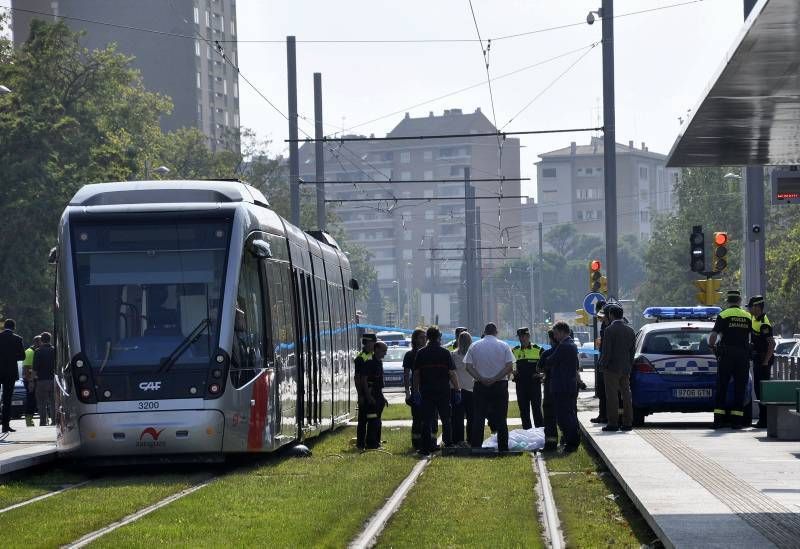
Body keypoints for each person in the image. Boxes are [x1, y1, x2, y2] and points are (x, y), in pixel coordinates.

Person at [464, 322, 514, 452]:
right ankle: (503, 447)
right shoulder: (504, 345)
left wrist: (481, 378)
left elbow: (468, 366)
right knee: (501, 418)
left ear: (485, 332)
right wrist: (495, 378)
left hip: (480, 385)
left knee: (478, 417)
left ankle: (476, 446)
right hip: (500, 386)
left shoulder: (474, 346)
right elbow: (509, 366)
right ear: (496, 332)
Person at [412, 326, 461, 455]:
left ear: (427, 338)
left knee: (426, 420)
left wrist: (416, 392)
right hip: (443, 391)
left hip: (426, 391)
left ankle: (425, 447)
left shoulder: (421, 353)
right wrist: (457, 390)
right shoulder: (445, 353)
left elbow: (416, 374)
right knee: (446, 418)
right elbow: (452, 373)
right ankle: (448, 444)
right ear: (439, 337)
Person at [709, 290, 752, 429]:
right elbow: (752, 336)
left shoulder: (723, 315)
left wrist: (711, 346)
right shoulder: (747, 316)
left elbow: (714, 335)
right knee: (740, 388)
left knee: (722, 387)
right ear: (739, 301)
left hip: (727, 355)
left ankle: (718, 421)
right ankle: (737, 422)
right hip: (743, 356)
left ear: (728, 302)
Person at [599, 304, 636, 432]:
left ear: (611, 315)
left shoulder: (609, 330)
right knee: (626, 395)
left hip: (611, 369)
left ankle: (613, 423)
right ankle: (628, 422)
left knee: (612, 396)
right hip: (625, 368)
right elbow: (632, 352)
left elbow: (607, 351)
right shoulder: (630, 331)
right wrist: (629, 365)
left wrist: (603, 365)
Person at [548, 321, 580, 452]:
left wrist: (546, 359)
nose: (554, 337)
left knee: (564, 416)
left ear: (562, 332)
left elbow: (551, 360)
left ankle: (571, 442)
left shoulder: (564, 346)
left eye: (556, 334)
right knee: (568, 414)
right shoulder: (571, 344)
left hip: (563, 386)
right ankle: (571, 440)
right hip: (568, 385)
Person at [747, 295, 774, 428]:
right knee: (758, 390)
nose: (749, 309)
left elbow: (771, 344)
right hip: (758, 359)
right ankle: (763, 419)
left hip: (764, 361)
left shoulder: (764, 323)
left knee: (763, 391)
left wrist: (765, 362)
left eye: (751, 307)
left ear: (757, 307)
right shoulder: (754, 318)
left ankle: (764, 420)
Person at [355, 339, 387, 449]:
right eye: (383, 351)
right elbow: (364, 379)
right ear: (376, 349)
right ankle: (370, 444)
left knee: (377, 421)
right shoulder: (370, 362)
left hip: (377, 395)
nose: (385, 353)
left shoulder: (379, 362)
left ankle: (375, 442)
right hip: (371, 395)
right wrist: (368, 396)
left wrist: (382, 397)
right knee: (372, 420)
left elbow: (378, 382)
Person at [512, 327, 543, 429]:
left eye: (524, 336)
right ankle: (527, 433)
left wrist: (541, 375)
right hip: (521, 386)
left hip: (534, 385)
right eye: (520, 336)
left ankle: (540, 433)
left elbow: (547, 366)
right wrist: (513, 372)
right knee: (524, 411)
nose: (522, 338)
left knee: (537, 410)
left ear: (528, 336)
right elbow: (509, 366)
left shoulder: (538, 350)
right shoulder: (514, 351)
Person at [0, 319, 26, 433]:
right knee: (7, 399)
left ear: (4, 326)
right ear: (13, 327)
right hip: (10, 372)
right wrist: (11, 357)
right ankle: (5, 425)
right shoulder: (17, 339)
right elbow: (22, 357)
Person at [403, 328, 427, 450]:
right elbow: (406, 375)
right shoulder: (409, 355)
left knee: (429, 417)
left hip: (428, 390)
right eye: (421, 337)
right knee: (417, 418)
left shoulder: (428, 353)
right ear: (415, 339)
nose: (424, 339)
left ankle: (428, 441)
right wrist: (407, 392)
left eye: (425, 337)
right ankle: (416, 443)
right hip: (416, 391)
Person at [450, 330, 473, 444]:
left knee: (457, 417)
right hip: (471, 389)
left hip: (457, 389)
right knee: (471, 417)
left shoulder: (453, 355)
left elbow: (451, 372)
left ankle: (458, 440)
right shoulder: (473, 355)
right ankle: (471, 439)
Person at [539, 330, 560, 451]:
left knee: (549, 417)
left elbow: (539, 368)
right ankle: (567, 440)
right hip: (564, 388)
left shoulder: (546, 353)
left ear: (551, 339)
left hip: (550, 388)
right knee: (565, 415)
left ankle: (551, 444)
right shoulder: (568, 350)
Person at [590, 300, 609, 424]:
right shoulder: (604, 324)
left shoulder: (608, 325)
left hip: (606, 362)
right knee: (602, 391)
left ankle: (606, 416)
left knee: (605, 391)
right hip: (603, 358)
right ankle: (602, 414)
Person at [33, 332, 56, 426]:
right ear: (50, 339)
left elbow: (35, 368)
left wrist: (32, 380)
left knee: (41, 402)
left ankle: (43, 421)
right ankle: (54, 421)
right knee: (53, 402)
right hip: (53, 380)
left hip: (41, 380)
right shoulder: (55, 350)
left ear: (41, 340)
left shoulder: (38, 351)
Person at [21, 335, 42, 427]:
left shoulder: (37, 351)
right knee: (31, 400)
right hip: (30, 380)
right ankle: (28, 420)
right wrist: (31, 381)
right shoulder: (29, 352)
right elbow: (26, 368)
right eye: (41, 342)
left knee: (36, 400)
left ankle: (33, 419)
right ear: (37, 343)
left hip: (34, 379)